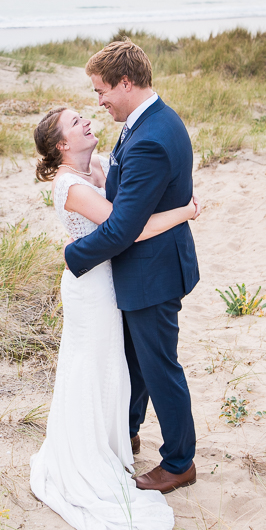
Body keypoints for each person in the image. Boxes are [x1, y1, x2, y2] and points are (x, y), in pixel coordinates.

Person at [29, 105, 199, 530]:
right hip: (91, 289)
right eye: (75, 122)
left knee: (120, 363)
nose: (87, 119)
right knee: (93, 363)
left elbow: (130, 184)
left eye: (85, 113)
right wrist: (185, 212)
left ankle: (119, 434)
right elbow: (129, 229)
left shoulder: (102, 163)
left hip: (115, 281)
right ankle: (94, 447)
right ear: (63, 146)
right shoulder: (70, 185)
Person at [64, 40, 200, 494]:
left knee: (159, 366)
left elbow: (123, 228)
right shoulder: (147, 121)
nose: (98, 100)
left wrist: (74, 257)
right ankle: (128, 429)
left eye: (102, 90)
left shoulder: (152, 140)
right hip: (149, 266)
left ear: (125, 83)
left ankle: (179, 462)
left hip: (152, 272)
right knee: (136, 361)